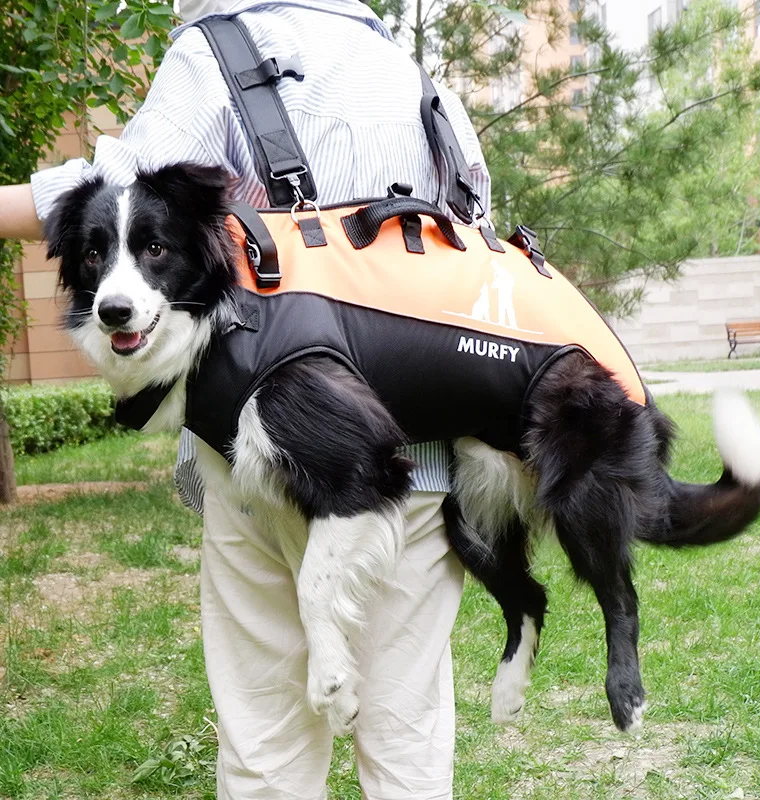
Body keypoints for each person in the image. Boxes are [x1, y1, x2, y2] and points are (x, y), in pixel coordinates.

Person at [0, 1, 492, 796]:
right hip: (416, 459)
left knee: (268, 745)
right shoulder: (412, 76)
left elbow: (114, 193)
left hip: (258, 455)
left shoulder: (218, 46)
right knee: (405, 740)